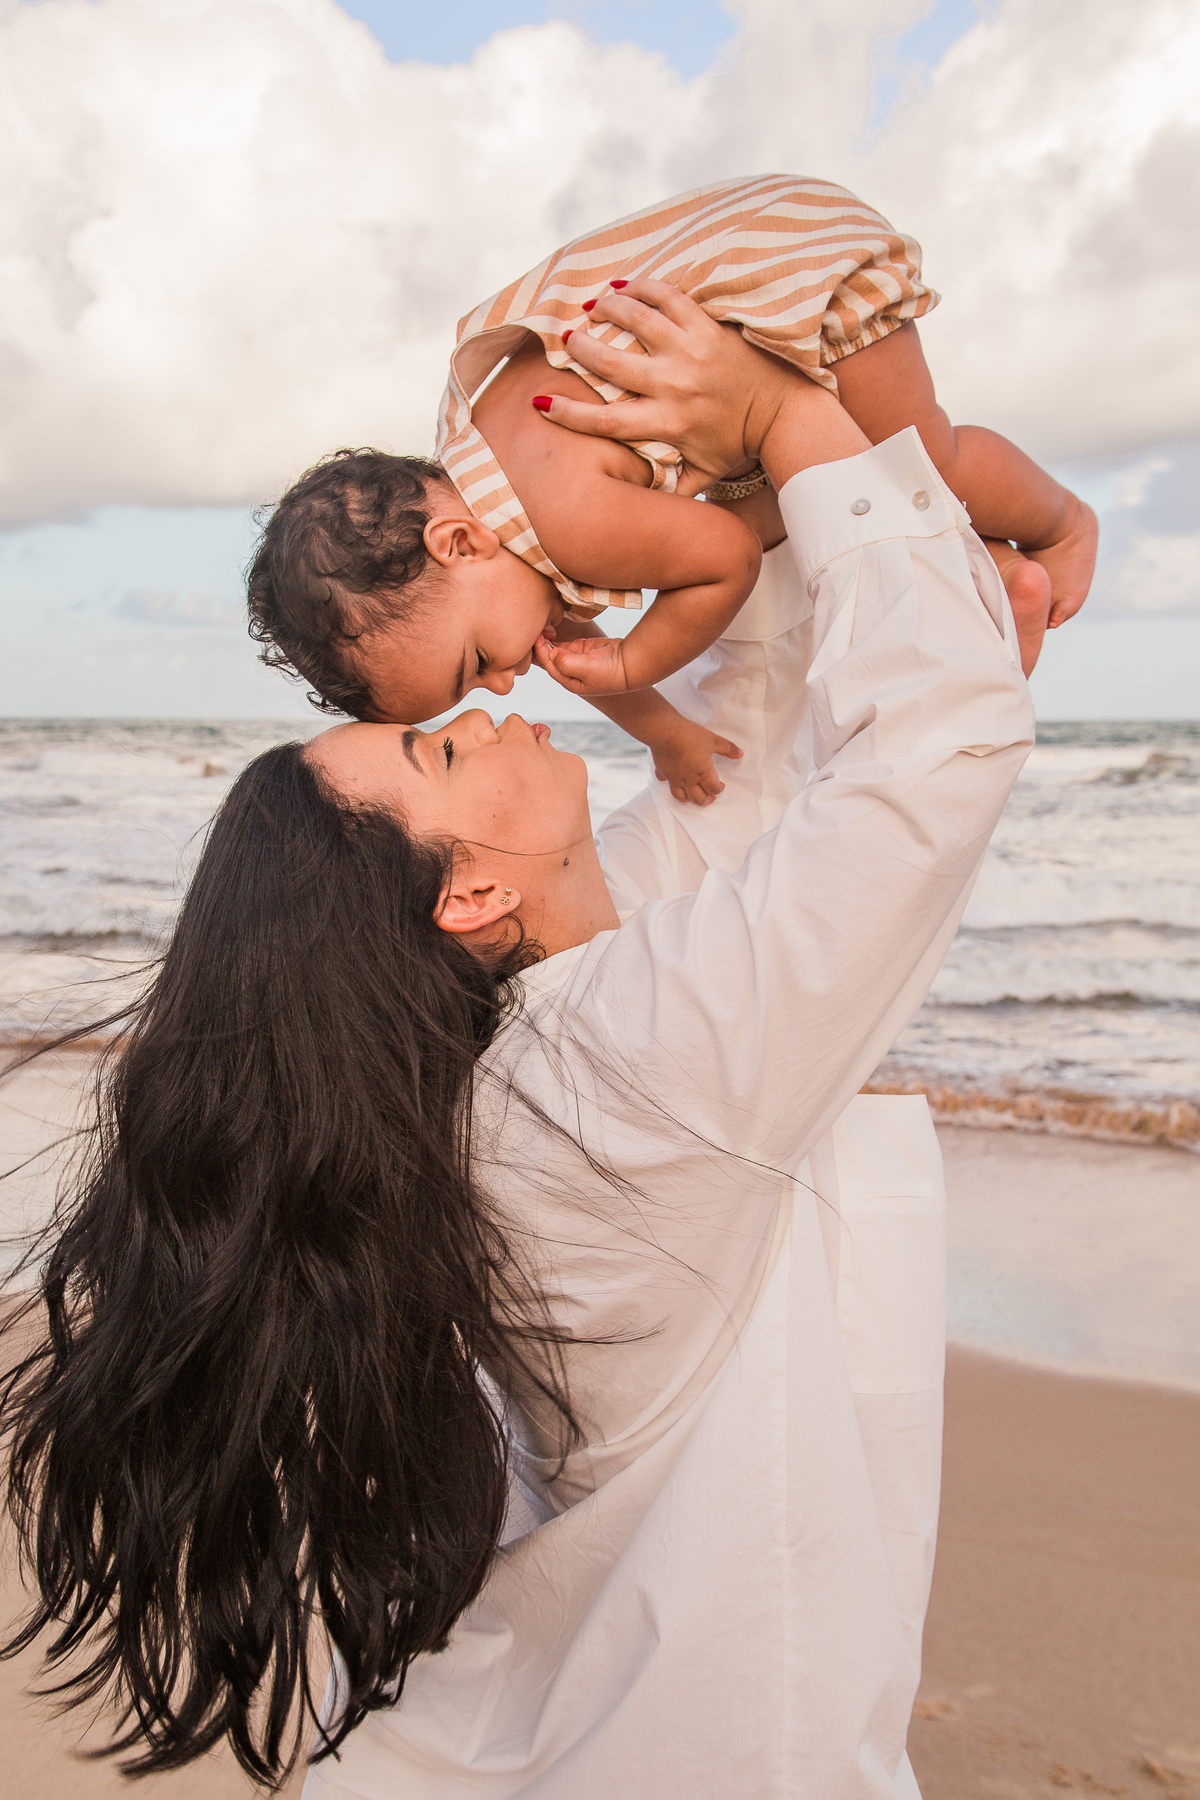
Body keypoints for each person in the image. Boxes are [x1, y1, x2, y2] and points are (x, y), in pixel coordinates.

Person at [2, 286, 1035, 1798]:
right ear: (472, 894)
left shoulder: (544, 1048)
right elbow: (932, 765)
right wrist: (792, 419)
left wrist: (794, 518)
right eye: (440, 746)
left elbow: (759, 789)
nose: (489, 710)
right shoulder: (623, 1068)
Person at [248, 174, 1092, 802]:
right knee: (826, 503)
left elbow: (725, 558)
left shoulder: (564, 518)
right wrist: (665, 732)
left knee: (917, 462)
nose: (504, 683)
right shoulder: (484, 487)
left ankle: (1062, 525)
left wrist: (635, 657)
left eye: (473, 666)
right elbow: (572, 633)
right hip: (746, 254)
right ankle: (987, 565)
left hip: (787, 276)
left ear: (458, 544)